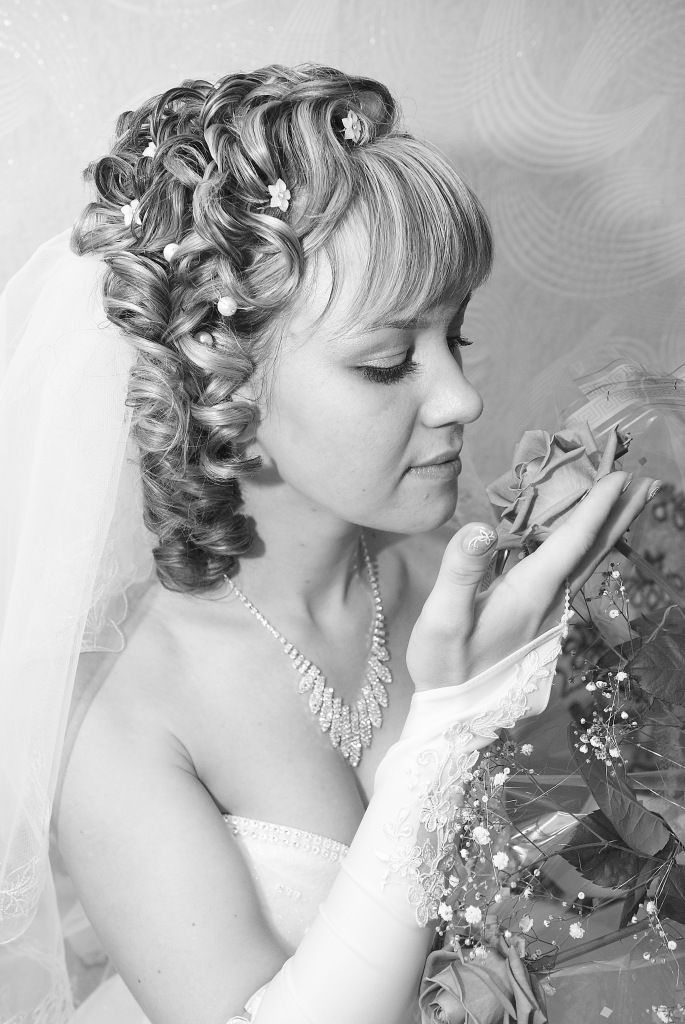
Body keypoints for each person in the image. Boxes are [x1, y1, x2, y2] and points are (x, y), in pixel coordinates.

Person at [0, 64, 657, 1024]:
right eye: (387, 361)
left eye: (456, 339)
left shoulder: (483, 577)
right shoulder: (119, 715)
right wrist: (448, 727)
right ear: (223, 384)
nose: (461, 399)